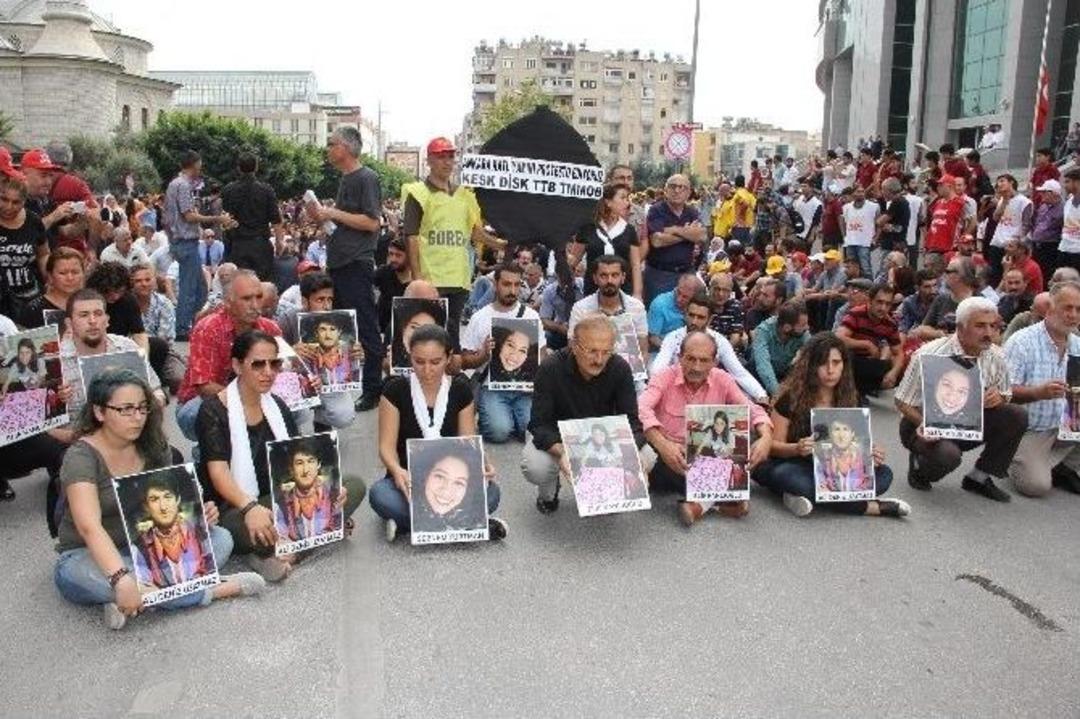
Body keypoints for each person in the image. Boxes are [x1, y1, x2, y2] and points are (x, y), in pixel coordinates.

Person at [54, 368, 264, 629]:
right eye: (126, 409)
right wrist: (120, 576)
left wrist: (198, 515)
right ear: (99, 412)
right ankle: (214, 589)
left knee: (222, 539)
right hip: (86, 553)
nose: (138, 417)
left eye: (143, 408)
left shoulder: (153, 445)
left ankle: (133, 599)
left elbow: (172, 505)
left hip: (149, 546)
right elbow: (89, 527)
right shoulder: (81, 456)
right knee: (83, 576)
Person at [196, 330, 365, 581]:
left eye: (274, 363)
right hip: (236, 508)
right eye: (258, 364)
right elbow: (218, 473)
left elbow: (300, 460)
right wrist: (250, 507)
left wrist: (327, 488)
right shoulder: (213, 411)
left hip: (284, 498)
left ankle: (286, 553)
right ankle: (322, 532)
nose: (268, 372)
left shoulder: (278, 405)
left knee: (353, 486)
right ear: (237, 365)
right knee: (235, 535)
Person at [371, 324, 504, 540]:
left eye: (436, 362)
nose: (427, 370)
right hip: (409, 480)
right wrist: (396, 470)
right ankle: (467, 522)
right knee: (380, 495)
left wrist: (482, 462)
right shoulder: (395, 390)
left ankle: (409, 524)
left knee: (493, 492)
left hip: (450, 482)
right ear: (409, 356)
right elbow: (386, 447)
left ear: (449, 357)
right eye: (419, 362)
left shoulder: (460, 390)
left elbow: (467, 441)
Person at [754, 333, 908, 518]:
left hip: (835, 471)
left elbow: (856, 445)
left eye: (836, 363)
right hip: (796, 465)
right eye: (823, 363)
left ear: (844, 365)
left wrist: (870, 455)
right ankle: (871, 507)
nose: (830, 370)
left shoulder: (851, 398)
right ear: (810, 366)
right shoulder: (790, 398)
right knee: (784, 475)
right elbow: (773, 446)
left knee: (885, 475)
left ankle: (796, 495)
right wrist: (797, 448)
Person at [895, 296, 1026, 501]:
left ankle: (979, 478)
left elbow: (1006, 393)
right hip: (922, 424)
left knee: (1017, 415)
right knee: (948, 455)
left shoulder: (997, 356)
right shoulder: (928, 354)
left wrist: (999, 397)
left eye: (993, 326)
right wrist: (926, 425)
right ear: (960, 327)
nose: (989, 333)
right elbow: (902, 401)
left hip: (971, 422)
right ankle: (920, 468)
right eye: (980, 326)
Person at [639, 331, 772, 526]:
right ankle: (718, 500)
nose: (696, 367)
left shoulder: (723, 380)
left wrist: (766, 436)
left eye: (704, 360)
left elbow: (751, 409)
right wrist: (664, 444)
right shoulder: (664, 377)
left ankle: (702, 503)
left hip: (703, 455)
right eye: (690, 359)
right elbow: (641, 408)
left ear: (714, 362)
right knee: (668, 466)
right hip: (667, 454)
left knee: (737, 459)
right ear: (679, 357)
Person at [522, 314, 651, 513]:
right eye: (592, 351)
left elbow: (632, 422)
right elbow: (539, 424)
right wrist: (564, 453)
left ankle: (610, 492)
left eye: (606, 352)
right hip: (560, 439)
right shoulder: (550, 368)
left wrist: (631, 453)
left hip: (603, 441)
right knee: (536, 466)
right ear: (574, 346)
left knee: (647, 456)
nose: (599, 360)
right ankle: (549, 491)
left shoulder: (620, 369)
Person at [401, 136, 506, 353]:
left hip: (458, 278)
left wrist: (502, 245)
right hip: (431, 280)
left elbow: (476, 233)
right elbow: (411, 237)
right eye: (441, 157)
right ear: (428, 160)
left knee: (452, 338)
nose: (447, 162)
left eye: (451, 156)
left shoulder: (464, 195)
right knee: (427, 336)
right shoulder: (418, 194)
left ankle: (450, 384)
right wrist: (417, 278)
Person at [308, 127, 384, 412]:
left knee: (364, 327)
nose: (328, 149)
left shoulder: (367, 178)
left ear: (347, 147)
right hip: (339, 261)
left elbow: (371, 222)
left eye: (331, 144)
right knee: (336, 328)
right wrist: (321, 217)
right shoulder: (345, 179)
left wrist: (333, 213)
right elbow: (343, 223)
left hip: (356, 262)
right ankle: (337, 382)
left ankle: (373, 388)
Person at [176, 270, 282, 441]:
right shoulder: (207, 328)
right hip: (199, 402)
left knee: (296, 412)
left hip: (257, 396)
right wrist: (248, 399)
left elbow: (282, 375)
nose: (255, 305)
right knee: (201, 415)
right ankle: (208, 456)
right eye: (247, 299)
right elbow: (205, 387)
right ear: (227, 302)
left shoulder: (271, 329)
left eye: (259, 297)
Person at [1004, 280, 1080, 497]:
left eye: (1079, 309)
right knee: (1035, 487)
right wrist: (1037, 392)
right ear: (1050, 308)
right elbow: (1003, 393)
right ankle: (1015, 457)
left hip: (1070, 424)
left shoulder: (1078, 345)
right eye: (1067, 307)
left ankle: (1061, 468)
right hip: (1031, 429)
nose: (1073, 315)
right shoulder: (1022, 342)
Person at [461, 262, 544, 443]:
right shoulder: (480, 317)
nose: (512, 290)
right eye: (506, 284)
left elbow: (542, 354)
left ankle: (512, 418)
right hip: (492, 387)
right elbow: (464, 360)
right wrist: (483, 354)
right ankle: (496, 418)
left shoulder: (531, 316)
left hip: (525, 389)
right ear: (495, 284)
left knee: (532, 434)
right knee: (498, 433)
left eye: (516, 285)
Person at [60, 288, 165, 421]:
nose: (92, 321)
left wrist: (155, 403)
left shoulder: (127, 347)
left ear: (107, 320)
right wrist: (56, 400)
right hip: (78, 433)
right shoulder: (57, 361)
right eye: (84, 315)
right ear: (69, 323)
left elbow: (156, 390)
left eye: (98, 314)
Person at [162, 150, 235, 340]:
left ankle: (193, 322)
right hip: (185, 242)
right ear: (194, 164)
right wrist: (217, 218)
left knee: (201, 288)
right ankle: (182, 329)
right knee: (190, 288)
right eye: (199, 164)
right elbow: (189, 215)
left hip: (182, 241)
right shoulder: (183, 185)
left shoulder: (174, 184)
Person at [649, 291, 768, 403]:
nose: (694, 321)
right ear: (685, 314)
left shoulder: (720, 341)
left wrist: (761, 395)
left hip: (709, 395)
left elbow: (739, 373)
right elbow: (658, 369)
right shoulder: (672, 337)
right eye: (691, 315)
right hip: (676, 391)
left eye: (700, 317)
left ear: (710, 319)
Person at [131, 469, 217, 590]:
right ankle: (214, 592)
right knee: (123, 583)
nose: (163, 507)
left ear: (177, 500)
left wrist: (209, 512)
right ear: (146, 507)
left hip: (177, 591)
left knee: (223, 538)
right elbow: (148, 591)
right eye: (154, 499)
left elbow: (211, 569)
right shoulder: (140, 548)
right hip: (161, 593)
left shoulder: (198, 532)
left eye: (167, 497)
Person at [567, 255, 649, 361]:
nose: (609, 281)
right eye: (603, 276)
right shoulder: (581, 308)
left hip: (628, 370)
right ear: (595, 278)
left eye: (615, 275)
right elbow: (572, 347)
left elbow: (643, 350)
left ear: (623, 277)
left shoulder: (636, 307)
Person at [220, 153, 285, 281]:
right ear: (256, 167)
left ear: (238, 168)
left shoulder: (228, 190)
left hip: (237, 245)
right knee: (262, 286)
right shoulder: (266, 190)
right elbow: (276, 220)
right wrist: (279, 242)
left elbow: (226, 220)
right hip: (260, 245)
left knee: (240, 287)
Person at [570, 183, 642, 298]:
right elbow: (573, 260)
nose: (627, 203)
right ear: (608, 202)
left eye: (627, 198)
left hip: (623, 293)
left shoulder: (629, 230)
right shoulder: (588, 228)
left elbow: (636, 265)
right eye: (622, 198)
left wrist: (637, 293)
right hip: (593, 293)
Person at [644, 174, 706, 305]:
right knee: (658, 311)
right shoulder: (656, 210)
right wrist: (687, 234)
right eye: (673, 186)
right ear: (665, 190)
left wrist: (674, 230)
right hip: (660, 275)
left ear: (689, 192)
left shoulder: (692, 212)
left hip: (686, 273)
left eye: (682, 187)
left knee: (687, 314)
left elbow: (701, 235)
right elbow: (657, 241)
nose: (677, 190)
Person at [836, 283, 904, 396]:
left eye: (888, 304)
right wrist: (866, 344)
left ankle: (864, 390)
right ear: (870, 300)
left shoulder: (890, 323)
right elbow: (839, 338)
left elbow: (898, 352)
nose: (883, 308)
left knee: (886, 368)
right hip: (850, 360)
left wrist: (894, 373)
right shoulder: (856, 314)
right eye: (879, 302)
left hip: (870, 361)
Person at [273, 439, 344, 542]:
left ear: (318, 465)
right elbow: (283, 538)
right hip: (297, 547)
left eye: (311, 461)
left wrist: (342, 520)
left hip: (327, 538)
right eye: (299, 463)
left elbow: (337, 522)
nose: (306, 470)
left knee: (355, 486)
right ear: (291, 469)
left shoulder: (332, 496)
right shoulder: (281, 506)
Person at [0, 174, 48, 322]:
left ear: (24, 202)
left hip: (28, 297)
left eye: (16, 202)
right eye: (4, 200)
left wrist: (50, 278)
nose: (9, 207)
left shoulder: (34, 221)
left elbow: (43, 254)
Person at [130, 263, 183, 395]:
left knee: (179, 379)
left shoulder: (165, 303)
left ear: (154, 281)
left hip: (162, 351)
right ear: (131, 283)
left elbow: (165, 338)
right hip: (133, 352)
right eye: (138, 281)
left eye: (147, 280)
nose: (143, 284)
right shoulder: (126, 304)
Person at [750, 300, 810, 397]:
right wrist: (778, 395)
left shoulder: (802, 333)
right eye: (803, 325)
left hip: (784, 372)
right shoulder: (764, 331)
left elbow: (813, 351)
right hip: (759, 374)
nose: (807, 327)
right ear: (787, 328)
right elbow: (763, 365)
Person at [16, 246, 84, 329]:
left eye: (75, 272)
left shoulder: (92, 304)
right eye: (62, 273)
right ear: (50, 276)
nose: (70, 278)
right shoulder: (33, 310)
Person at [987, 175, 1034, 284]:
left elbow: (1026, 224)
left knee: (1009, 275)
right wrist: (1003, 201)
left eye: (1002, 181)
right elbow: (995, 218)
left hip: (1012, 244)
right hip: (997, 241)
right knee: (994, 275)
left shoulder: (1024, 201)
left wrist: (1018, 242)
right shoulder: (1002, 200)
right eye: (998, 182)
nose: (999, 184)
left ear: (1011, 182)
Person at [646, 273, 702, 349]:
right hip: (662, 348)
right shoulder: (660, 303)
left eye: (685, 297)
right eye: (678, 292)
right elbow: (653, 338)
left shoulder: (699, 306)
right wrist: (674, 350)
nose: (679, 299)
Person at [539, 260, 583, 350]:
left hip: (583, 328)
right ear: (557, 275)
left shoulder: (584, 286)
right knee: (544, 336)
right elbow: (544, 319)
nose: (567, 282)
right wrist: (559, 327)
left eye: (569, 277)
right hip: (561, 329)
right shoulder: (550, 291)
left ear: (574, 273)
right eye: (563, 278)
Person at [374, 236, 412, 338]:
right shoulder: (384, 272)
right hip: (383, 330)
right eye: (391, 254)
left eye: (398, 255)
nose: (393, 259)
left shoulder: (417, 277)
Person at [840, 185, 878, 279]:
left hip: (865, 242)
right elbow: (843, 222)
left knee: (865, 267)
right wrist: (844, 236)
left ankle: (868, 288)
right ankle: (852, 286)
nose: (861, 194)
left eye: (862, 191)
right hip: (850, 241)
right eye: (858, 192)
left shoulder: (873, 206)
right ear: (853, 194)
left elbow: (878, 223)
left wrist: (876, 238)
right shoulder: (846, 207)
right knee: (851, 267)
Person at [1030, 179, 1064, 280]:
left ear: (1053, 193)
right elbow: (1037, 223)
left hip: (1051, 247)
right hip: (1037, 245)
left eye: (1044, 192)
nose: (1041, 195)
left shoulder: (1063, 209)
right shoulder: (1043, 206)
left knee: (1048, 274)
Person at [1060, 169, 1080, 272]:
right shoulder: (1068, 201)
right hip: (1065, 248)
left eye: (1068, 181)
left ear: (1077, 182)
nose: (1064, 185)